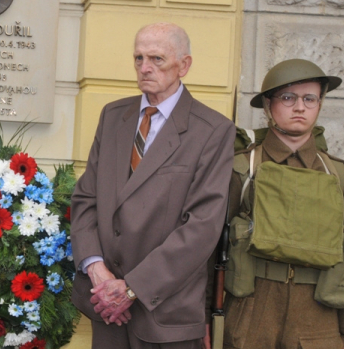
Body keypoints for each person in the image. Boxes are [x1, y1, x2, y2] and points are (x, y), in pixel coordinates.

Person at [71, 22, 236, 349]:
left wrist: (131, 288)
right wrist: (96, 270)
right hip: (106, 309)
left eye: (157, 59)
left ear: (184, 65)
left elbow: (202, 228)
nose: (145, 68)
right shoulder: (113, 116)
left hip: (165, 316)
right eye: (138, 58)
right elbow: (86, 199)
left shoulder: (213, 131)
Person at [207, 59, 344, 349]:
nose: (299, 107)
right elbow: (209, 251)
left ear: (319, 104)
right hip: (248, 323)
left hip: (318, 325)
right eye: (288, 97)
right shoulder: (241, 169)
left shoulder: (342, 177)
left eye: (310, 98)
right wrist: (204, 321)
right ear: (269, 105)